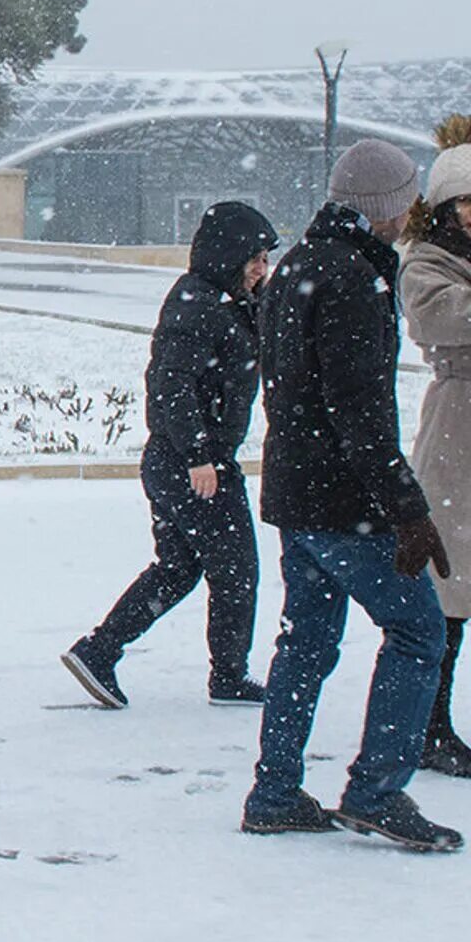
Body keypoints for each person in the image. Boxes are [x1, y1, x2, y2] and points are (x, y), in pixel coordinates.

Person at [240, 139, 459, 850]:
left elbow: (290, 391)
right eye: (404, 199)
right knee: (420, 630)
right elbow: (360, 413)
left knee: (304, 639)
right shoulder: (355, 281)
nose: (408, 213)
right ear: (385, 205)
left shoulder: (299, 267)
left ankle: (275, 790)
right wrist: (408, 508)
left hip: (296, 496)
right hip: (344, 503)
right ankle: (378, 789)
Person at [63, 201, 279, 709]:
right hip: (191, 466)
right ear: (228, 254)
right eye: (254, 257)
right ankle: (227, 677)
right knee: (236, 568)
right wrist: (198, 454)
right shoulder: (198, 304)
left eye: (266, 259)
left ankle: (99, 651)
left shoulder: (233, 301)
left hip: (179, 462)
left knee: (179, 568)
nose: (261, 268)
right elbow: (169, 384)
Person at [401, 117, 471, 777]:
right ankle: (430, 723)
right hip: (458, 431)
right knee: (449, 586)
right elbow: (445, 318)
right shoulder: (426, 262)